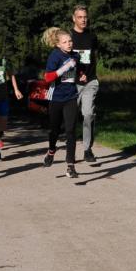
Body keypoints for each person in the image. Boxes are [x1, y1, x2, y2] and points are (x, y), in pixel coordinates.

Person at [41, 27, 82, 179]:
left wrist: (81, 75)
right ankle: (51, 151)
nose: (69, 44)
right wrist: (64, 68)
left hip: (71, 97)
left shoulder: (76, 56)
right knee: (54, 130)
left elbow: (77, 71)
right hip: (56, 97)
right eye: (65, 42)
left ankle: (70, 166)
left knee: (71, 130)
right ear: (58, 44)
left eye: (70, 41)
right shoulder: (55, 56)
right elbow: (47, 78)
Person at [70, 4, 100, 164]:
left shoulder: (92, 37)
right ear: (74, 18)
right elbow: (65, 61)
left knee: (88, 115)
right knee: (71, 118)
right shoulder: (68, 37)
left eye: (85, 17)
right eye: (80, 17)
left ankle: (87, 149)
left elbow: (93, 57)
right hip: (72, 84)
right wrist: (76, 75)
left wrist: (89, 75)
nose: (83, 20)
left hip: (90, 82)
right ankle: (71, 151)